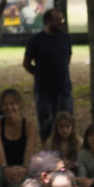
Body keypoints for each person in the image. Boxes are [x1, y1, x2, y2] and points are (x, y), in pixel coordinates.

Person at [23, 9, 73, 142]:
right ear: (47, 21)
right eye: (56, 20)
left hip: (64, 89)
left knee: (67, 124)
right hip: (44, 91)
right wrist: (39, 74)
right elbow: (27, 63)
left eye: (61, 20)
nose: (60, 23)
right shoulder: (36, 40)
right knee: (46, 125)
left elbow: (67, 58)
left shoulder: (65, 38)